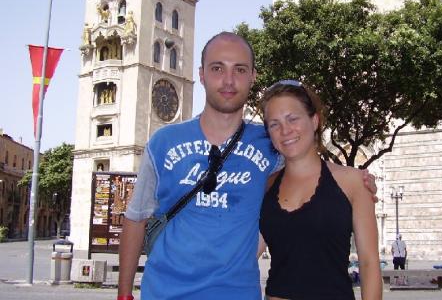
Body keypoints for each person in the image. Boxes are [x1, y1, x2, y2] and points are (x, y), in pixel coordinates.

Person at [118, 32, 377, 300]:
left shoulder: (271, 143)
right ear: (202, 74)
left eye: (239, 70)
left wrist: (358, 183)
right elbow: (136, 217)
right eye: (217, 68)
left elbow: (307, 169)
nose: (228, 80)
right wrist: (124, 294)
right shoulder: (163, 143)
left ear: (253, 76)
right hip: (164, 293)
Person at [258, 80, 382, 300]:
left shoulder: (354, 182)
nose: (285, 130)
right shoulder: (265, 187)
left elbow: (369, 263)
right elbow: (247, 254)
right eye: (274, 124)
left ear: (314, 121)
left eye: (292, 118)